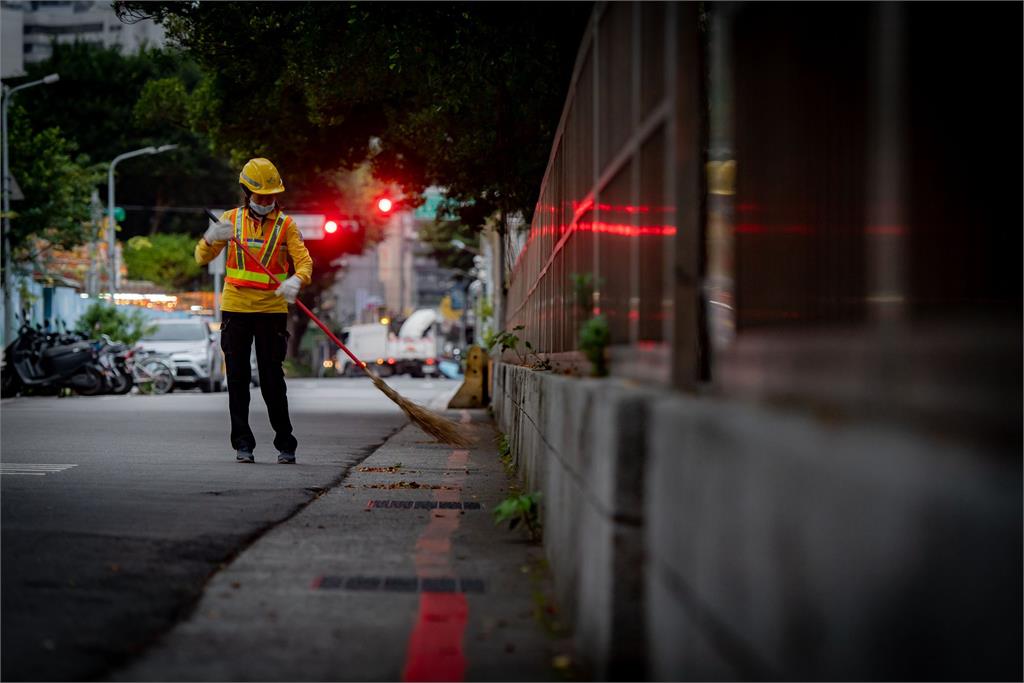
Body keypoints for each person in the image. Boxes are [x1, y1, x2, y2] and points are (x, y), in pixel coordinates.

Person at [195, 158, 312, 464]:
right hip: (235, 309)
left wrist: (296, 280)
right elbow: (200, 257)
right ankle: (242, 444)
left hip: (272, 310)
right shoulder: (229, 221)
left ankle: (286, 442)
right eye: (260, 196)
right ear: (247, 193)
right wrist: (211, 238)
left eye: (271, 196)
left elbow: (304, 261)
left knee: (273, 379)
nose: (266, 201)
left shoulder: (286, 225)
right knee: (237, 379)